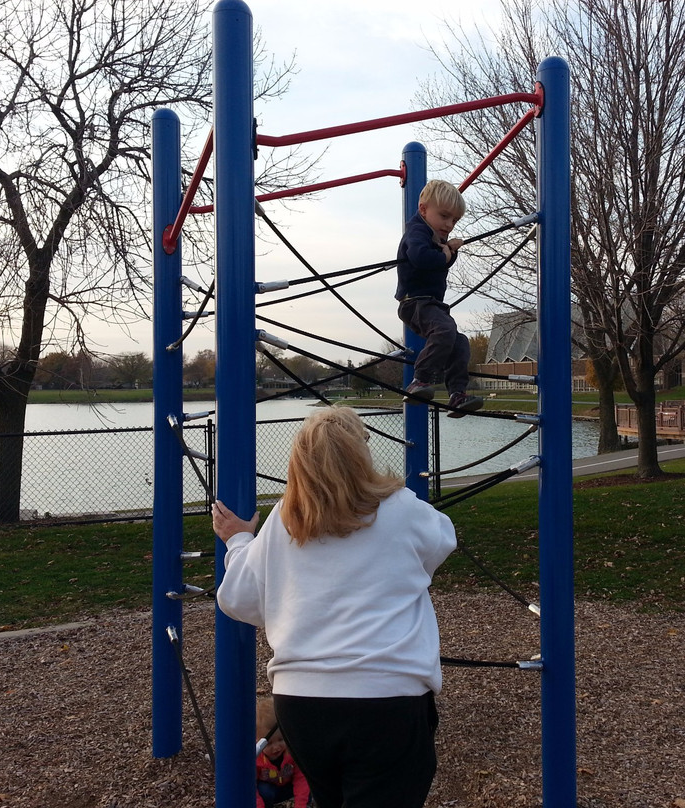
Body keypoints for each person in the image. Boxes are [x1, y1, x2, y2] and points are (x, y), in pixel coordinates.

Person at [213, 406, 457, 808]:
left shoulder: (285, 519)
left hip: (301, 701)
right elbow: (442, 541)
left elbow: (239, 598)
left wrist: (239, 543)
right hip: (386, 695)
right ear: (361, 453)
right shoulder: (400, 507)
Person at [394, 179, 484, 418]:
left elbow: (439, 264)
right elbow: (421, 258)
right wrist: (445, 254)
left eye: (454, 220)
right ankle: (420, 380)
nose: (449, 224)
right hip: (415, 302)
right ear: (423, 209)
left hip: (431, 304)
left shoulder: (434, 235)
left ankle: (457, 393)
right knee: (445, 330)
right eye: (444, 216)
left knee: (460, 342)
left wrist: (450, 252)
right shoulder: (417, 231)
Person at [255, 695, 312, 808]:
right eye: (269, 743)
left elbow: (301, 778)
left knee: (308, 783)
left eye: (281, 739)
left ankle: (306, 804)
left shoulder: (292, 751)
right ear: (257, 741)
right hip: (270, 789)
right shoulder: (256, 758)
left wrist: (300, 805)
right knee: (264, 791)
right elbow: (250, 786)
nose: (276, 747)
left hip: (288, 786)